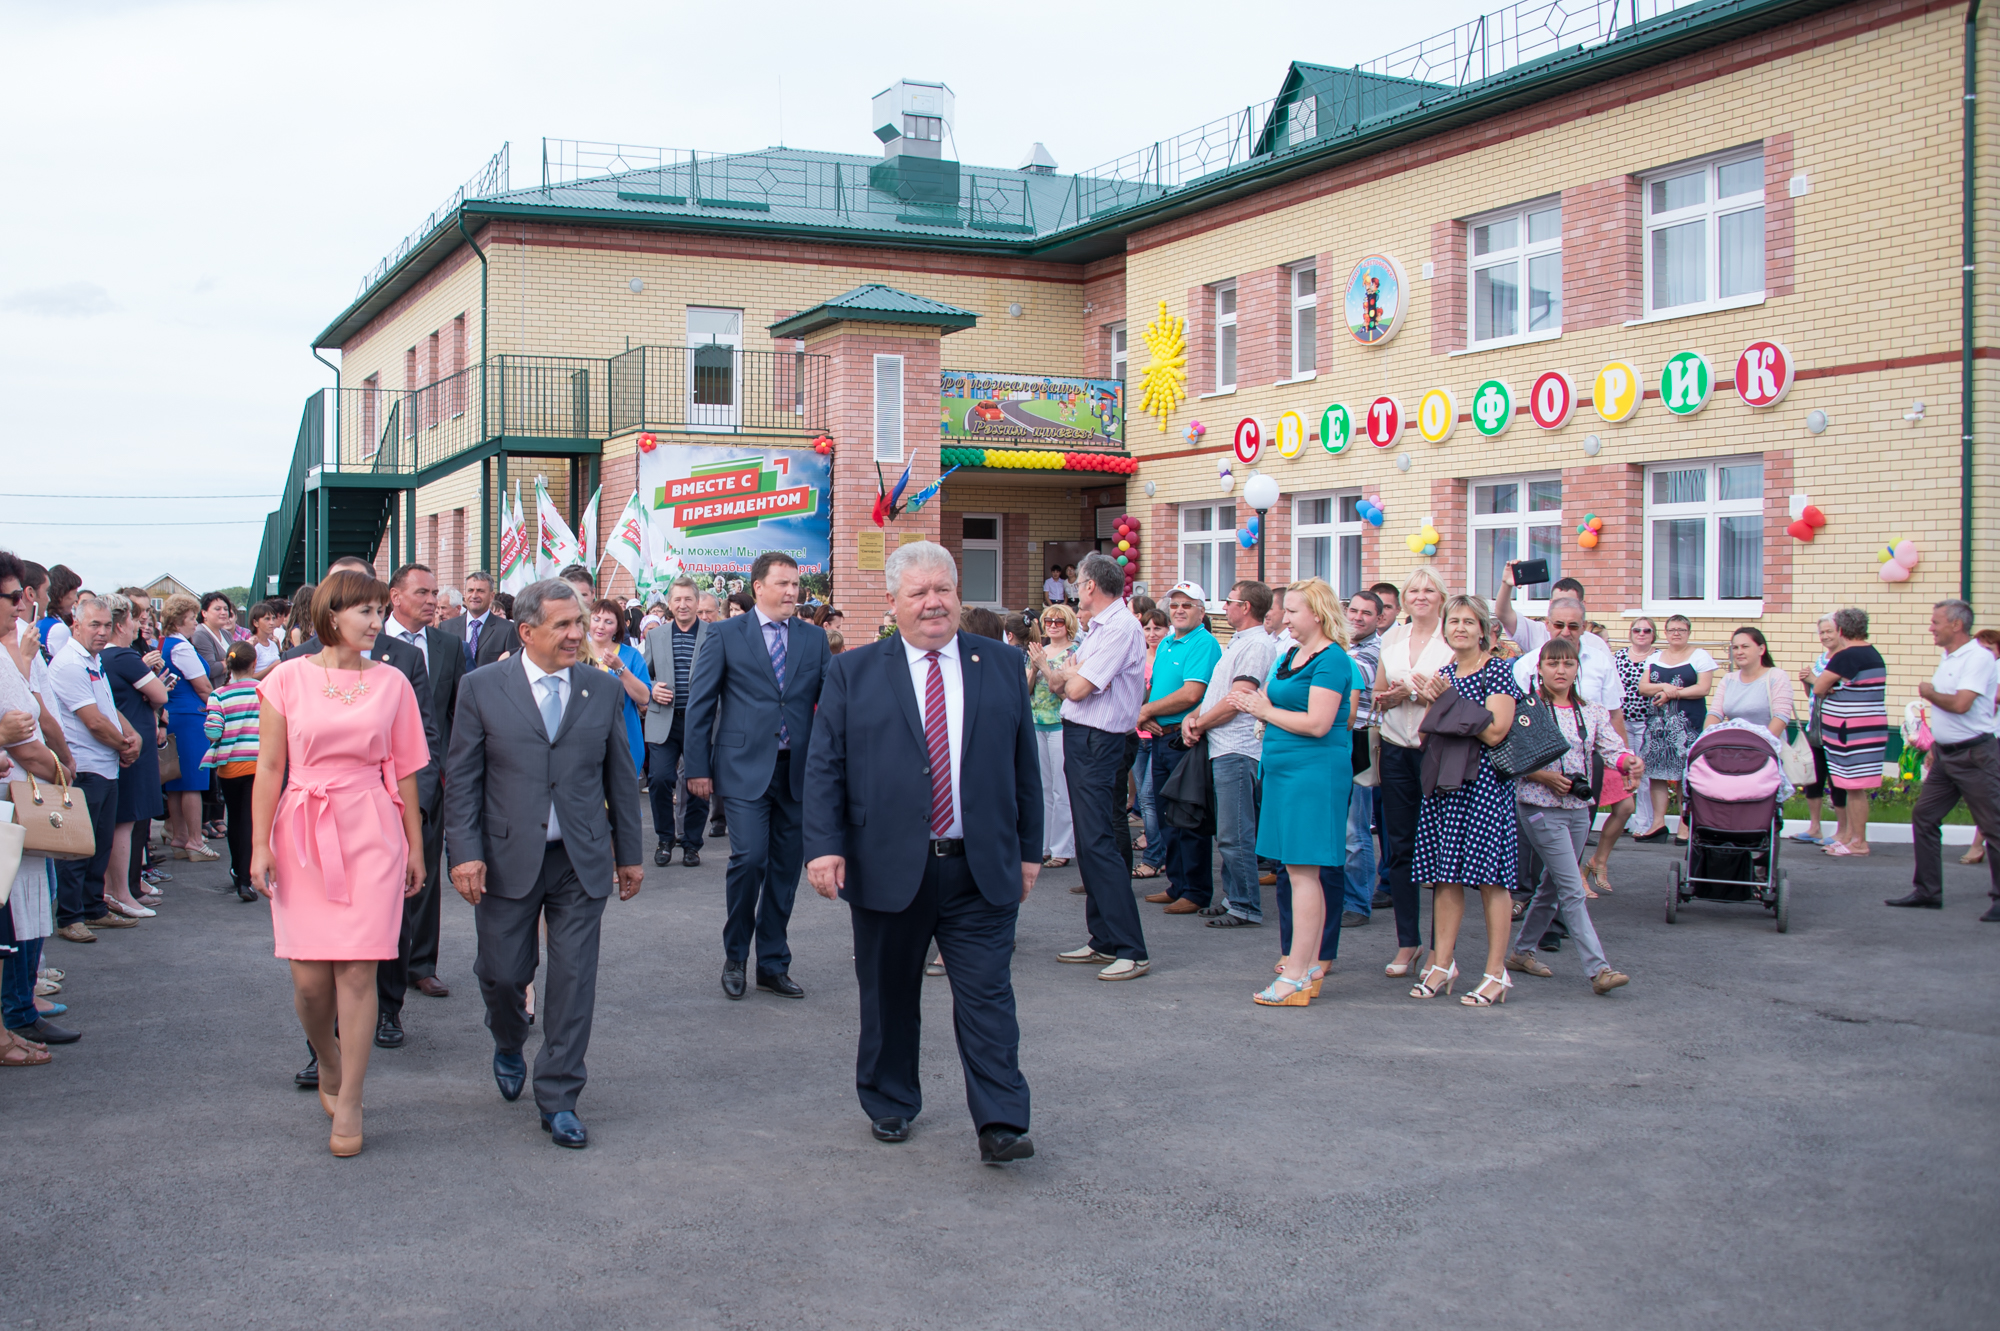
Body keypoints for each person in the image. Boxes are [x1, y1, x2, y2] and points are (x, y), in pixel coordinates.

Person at [803, 540, 1042, 1163]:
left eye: (943, 590)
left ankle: (1001, 1121)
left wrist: (1030, 851)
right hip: (886, 865)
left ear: (958, 595)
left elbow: (1025, 767)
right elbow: (824, 767)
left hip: (980, 867)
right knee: (888, 993)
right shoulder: (853, 671)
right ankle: (890, 1100)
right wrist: (824, 847)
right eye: (919, 593)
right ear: (893, 602)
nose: (934, 603)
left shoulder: (999, 663)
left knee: (988, 996)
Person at [443, 578, 644, 1148]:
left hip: (579, 859)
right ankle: (508, 1039)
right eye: (563, 625)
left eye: (579, 623)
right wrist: (465, 855)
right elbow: (463, 781)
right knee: (504, 974)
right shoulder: (482, 688)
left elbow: (620, 780)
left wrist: (628, 854)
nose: (577, 634)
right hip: (506, 858)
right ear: (527, 630)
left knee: (575, 981)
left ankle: (558, 1097)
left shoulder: (600, 690)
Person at [247, 570, 430, 1157]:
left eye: (381, 612)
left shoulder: (394, 682)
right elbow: (270, 769)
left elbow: (404, 770)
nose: (379, 624)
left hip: (372, 829)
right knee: (307, 978)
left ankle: (350, 1096)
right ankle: (326, 1057)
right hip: (301, 828)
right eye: (367, 614)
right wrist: (259, 843)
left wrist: (416, 846)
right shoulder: (285, 680)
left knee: (358, 971)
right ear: (332, 615)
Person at [683, 552, 830, 1001]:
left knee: (786, 871)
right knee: (749, 860)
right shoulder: (726, 634)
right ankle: (735, 957)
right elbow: (701, 705)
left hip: (797, 771)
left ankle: (772, 962)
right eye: (783, 584)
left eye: (795, 584)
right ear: (758, 586)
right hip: (744, 770)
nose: (792, 592)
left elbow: (830, 706)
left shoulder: (813, 638)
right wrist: (698, 768)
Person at [1224, 579, 1352, 1005]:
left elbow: (1318, 723)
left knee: (1303, 873)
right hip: (1283, 769)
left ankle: (1297, 972)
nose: (1285, 618)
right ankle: (1307, 964)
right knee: (1295, 871)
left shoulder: (1333, 659)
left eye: (1293, 611)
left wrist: (1264, 710)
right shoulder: (1292, 654)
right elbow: (1280, 702)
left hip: (1313, 774)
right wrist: (1259, 708)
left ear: (1316, 612)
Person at [1034, 551, 1150, 980]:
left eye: (1077, 582)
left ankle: (1131, 948)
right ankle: (1103, 939)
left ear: (1088, 586)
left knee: (1099, 842)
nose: (1073, 589)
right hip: (1082, 737)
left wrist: (1069, 675)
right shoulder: (1099, 628)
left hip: (1100, 741)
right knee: (1088, 842)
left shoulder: (1119, 627)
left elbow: (1076, 687)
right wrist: (1068, 675)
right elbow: (1061, 679)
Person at [1505, 636, 1640, 995]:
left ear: (1577, 668)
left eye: (1568, 663)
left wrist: (1629, 761)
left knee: (1552, 884)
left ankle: (1521, 952)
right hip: (1539, 807)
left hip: (1579, 810)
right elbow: (1507, 758)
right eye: (1553, 663)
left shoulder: (1592, 711)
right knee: (1571, 887)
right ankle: (1599, 970)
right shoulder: (1525, 709)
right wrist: (1542, 776)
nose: (1561, 670)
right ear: (1540, 668)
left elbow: (1612, 748)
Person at [1410, 595, 1523, 1008]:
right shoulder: (1444, 673)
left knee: (1492, 879)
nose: (1459, 627)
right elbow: (1434, 730)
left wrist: (1445, 702)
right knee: (1446, 877)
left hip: (1485, 786)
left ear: (1484, 631)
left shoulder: (1498, 671)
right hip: (1444, 784)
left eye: (1468, 621)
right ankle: (1443, 964)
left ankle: (1496, 973)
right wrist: (1436, 702)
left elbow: (1495, 732)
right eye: (1453, 621)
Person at [376, 563, 465, 1020]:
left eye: (435, 593)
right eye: (423, 593)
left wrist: (454, 769)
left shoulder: (448, 644)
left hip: (433, 776)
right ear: (395, 597)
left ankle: (421, 963)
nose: (432, 600)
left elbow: (458, 712)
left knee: (425, 870)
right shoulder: (370, 643)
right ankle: (378, 958)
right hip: (378, 777)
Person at [1, 551, 78, 1055]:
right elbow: (26, 735)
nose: (21, 606)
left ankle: (17, 1010)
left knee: (22, 912)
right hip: (17, 803)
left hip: (17, 802)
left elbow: (31, 718)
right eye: (13, 597)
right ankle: (17, 1010)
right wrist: (62, 771)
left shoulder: (12, 656)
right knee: (14, 916)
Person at [1887, 601, 2000, 916]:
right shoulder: (1948, 656)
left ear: (1956, 625)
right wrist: (1936, 744)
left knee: (1994, 825)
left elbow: (1962, 704)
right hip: (1948, 754)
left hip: (1976, 755)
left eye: (1936, 622)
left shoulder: (1977, 657)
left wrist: (1929, 692)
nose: (1931, 627)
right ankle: (1927, 891)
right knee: (1924, 816)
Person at [1179, 581, 1277, 928]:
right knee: (1228, 832)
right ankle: (1234, 895)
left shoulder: (1257, 645)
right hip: (1223, 745)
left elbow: (1239, 697)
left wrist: (1201, 722)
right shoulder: (1240, 642)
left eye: (1231, 601)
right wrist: (1197, 719)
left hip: (1238, 747)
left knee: (1236, 833)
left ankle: (1246, 904)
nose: (1226, 607)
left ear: (1247, 607)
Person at [47, 594, 141, 941]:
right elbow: (94, 722)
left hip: (105, 765)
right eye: (94, 625)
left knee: (99, 845)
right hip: (86, 767)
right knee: (77, 847)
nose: (102, 632)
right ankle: (70, 916)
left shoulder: (93, 660)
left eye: (106, 625)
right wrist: (125, 747)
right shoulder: (71, 663)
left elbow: (107, 708)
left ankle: (93, 908)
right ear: (76, 625)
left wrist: (130, 737)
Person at [1374, 566, 1451, 978]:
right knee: (1400, 847)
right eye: (1414, 590)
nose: (1420, 596)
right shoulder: (1393, 638)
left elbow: (1455, 696)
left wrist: (1414, 692)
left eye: (1428, 590)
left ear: (1441, 596)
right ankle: (1408, 942)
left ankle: (1442, 947)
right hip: (1395, 748)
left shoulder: (1452, 638)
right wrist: (1395, 696)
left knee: (1438, 850)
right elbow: (1379, 694)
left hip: (1437, 751)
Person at [1136, 583, 1221, 915]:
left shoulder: (1204, 642)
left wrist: (1146, 712)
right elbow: (1156, 690)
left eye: (1188, 605)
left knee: (1188, 817)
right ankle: (1177, 884)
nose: (1180, 610)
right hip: (1161, 735)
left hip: (1186, 740)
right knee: (1165, 813)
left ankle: (1197, 890)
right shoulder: (1168, 642)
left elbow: (1191, 694)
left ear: (1201, 610)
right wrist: (1148, 714)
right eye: (1175, 605)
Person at [100, 593, 169, 915]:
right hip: (132, 745)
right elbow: (159, 693)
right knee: (127, 821)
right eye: (134, 620)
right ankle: (122, 890)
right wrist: (154, 695)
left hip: (128, 741)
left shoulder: (105, 658)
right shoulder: (123, 657)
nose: (138, 627)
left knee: (130, 820)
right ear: (120, 623)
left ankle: (128, 886)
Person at [642, 576, 708, 868]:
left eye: (688, 599)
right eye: (677, 599)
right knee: (659, 780)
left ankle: (692, 844)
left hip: (700, 724)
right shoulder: (656, 636)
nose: (682, 605)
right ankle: (665, 839)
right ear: (669, 603)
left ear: (697, 602)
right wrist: (652, 687)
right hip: (663, 721)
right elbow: (643, 674)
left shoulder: (713, 634)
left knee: (698, 785)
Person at [1589, 618, 1658, 890]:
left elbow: (1616, 713)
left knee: (1626, 806)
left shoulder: (1605, 663)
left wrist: (1626, 755)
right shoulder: (1561, 660)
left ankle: (1599, 860)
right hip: (1579, 750)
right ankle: (1575, 877)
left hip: (1605, 743)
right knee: (1583, 816)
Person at [1635, 615, 1717, 845]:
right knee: (1656, 773)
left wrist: (1674, 693)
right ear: (1666, 632)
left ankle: (1684, 824)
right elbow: (1643, 687)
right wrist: (1663, 686)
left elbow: (1703, 688)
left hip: (1687, 724)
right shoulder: (1656, 657)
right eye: (1672, 629)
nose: (1676, 633)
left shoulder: (1700, 655)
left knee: (1684, 774)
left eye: (1681, 629)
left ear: (1689, 632)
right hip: (1657, 725)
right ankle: (1657, 824)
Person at [1813, 607, 1886, 857]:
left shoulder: (1847, 656)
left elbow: (1820, 687)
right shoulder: (1872, 653)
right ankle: (1851, 837)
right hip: (1869, 728)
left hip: (1850, 731)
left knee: (1854, 787)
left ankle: (1858, 842)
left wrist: (1829, 687)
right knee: (1853, 786)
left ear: (1841, 630)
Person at [157, 594, 218, 862]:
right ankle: (194, 839)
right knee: (193, 782)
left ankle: (180, 836)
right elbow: (203, 686)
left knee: (177, 782)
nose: (195, 623)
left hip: (175, 715)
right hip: (191, 716)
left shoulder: (168, 644)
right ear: (182, 618)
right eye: (193, 617)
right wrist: (220, 710)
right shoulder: (181, 647)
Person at [203, 642, 264, 902]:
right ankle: (247, 878)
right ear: (254, 664)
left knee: (235, 819)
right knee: (251, 821)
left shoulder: (218, 695)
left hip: (229, 766)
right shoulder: (264, 691)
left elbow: (213, 731)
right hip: (258, 764)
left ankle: (237, 871)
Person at [1339, 590, 1383, 928]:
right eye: (1353, 610)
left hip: (1359, 740)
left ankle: (1357, 902)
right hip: (1332, 739)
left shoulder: (1373, 651)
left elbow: (1351, 675)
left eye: (1366, 613)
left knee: (1356, 830)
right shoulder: (1342, 646)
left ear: (1378, 619)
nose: (1357, 617)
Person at [1020, 608, 1077, 868]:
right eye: (1049, 621)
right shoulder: (1038, 651)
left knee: (1061, 788)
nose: (1053, 625)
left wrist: (1044, 665)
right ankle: (1042, 845)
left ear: (1068, 625)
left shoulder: (1074, 653)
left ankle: (1063, 848)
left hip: (1061, 723)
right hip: (1036, 723)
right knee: (1041, 788)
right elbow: (1026, 690)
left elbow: (1067, 691)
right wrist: (1034, 668)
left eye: (1059, 621)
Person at [1792, 614, 1844, 845]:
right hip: (1816, 725)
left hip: (1836, 728)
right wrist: (1807, 681)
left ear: (1840, 631)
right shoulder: (1822, 658)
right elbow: (1813, 692)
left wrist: (1814, 679)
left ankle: (1843, 830)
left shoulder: (1844, 659)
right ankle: (1815, 827)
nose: (1825, 636)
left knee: (1837, 780)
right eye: (1821, 632)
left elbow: (1832, 689)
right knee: (1814, 777)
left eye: (1829, 631)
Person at [586, 597, 651, 778]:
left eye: (608, 622)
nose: (600, 626)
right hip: (584, 739)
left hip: (623, 737)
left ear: (617, 627)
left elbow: (644, 698)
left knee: (620, 801)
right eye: (596, 619)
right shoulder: (576, 653)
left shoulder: (631, 655)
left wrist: (620, 669)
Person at [1130, 606, 1170, 880]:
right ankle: (1159, 851)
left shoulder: (1167, 655)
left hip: (1157, 733)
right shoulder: (1138, 656)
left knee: (1149, 797)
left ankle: (1154, 857)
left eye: (1158, 628)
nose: (1152, 634)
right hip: (1137, 733)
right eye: (1148, 628)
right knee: (1146, 802)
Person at [1705, 628, 1794, 741]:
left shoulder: (1776, 676)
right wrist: (1707, 739)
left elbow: (1781, 718)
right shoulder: (1728, 679)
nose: (1739, 652)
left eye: (1745, 646)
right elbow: (1715, 714)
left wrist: (1760, 746)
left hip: (1767, 749)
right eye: (1735, 647)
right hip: (1733, 749)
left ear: (1761, 649)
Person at [1958, 627, 2000, 864]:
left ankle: (1977, 846)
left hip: (1992, 738)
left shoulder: (1994, 668)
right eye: (1980, 647)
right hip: (1985, 737)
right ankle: (1977, 846)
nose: (1984, 652)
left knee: (1990, 796)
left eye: (1989, 648)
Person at [440, 570, 521, 670]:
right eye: (470, 590)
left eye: (480, 591)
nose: (474, 596)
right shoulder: (446, 628)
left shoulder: (507, 630)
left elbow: (512, 669)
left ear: (492, 596)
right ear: (464, 594)